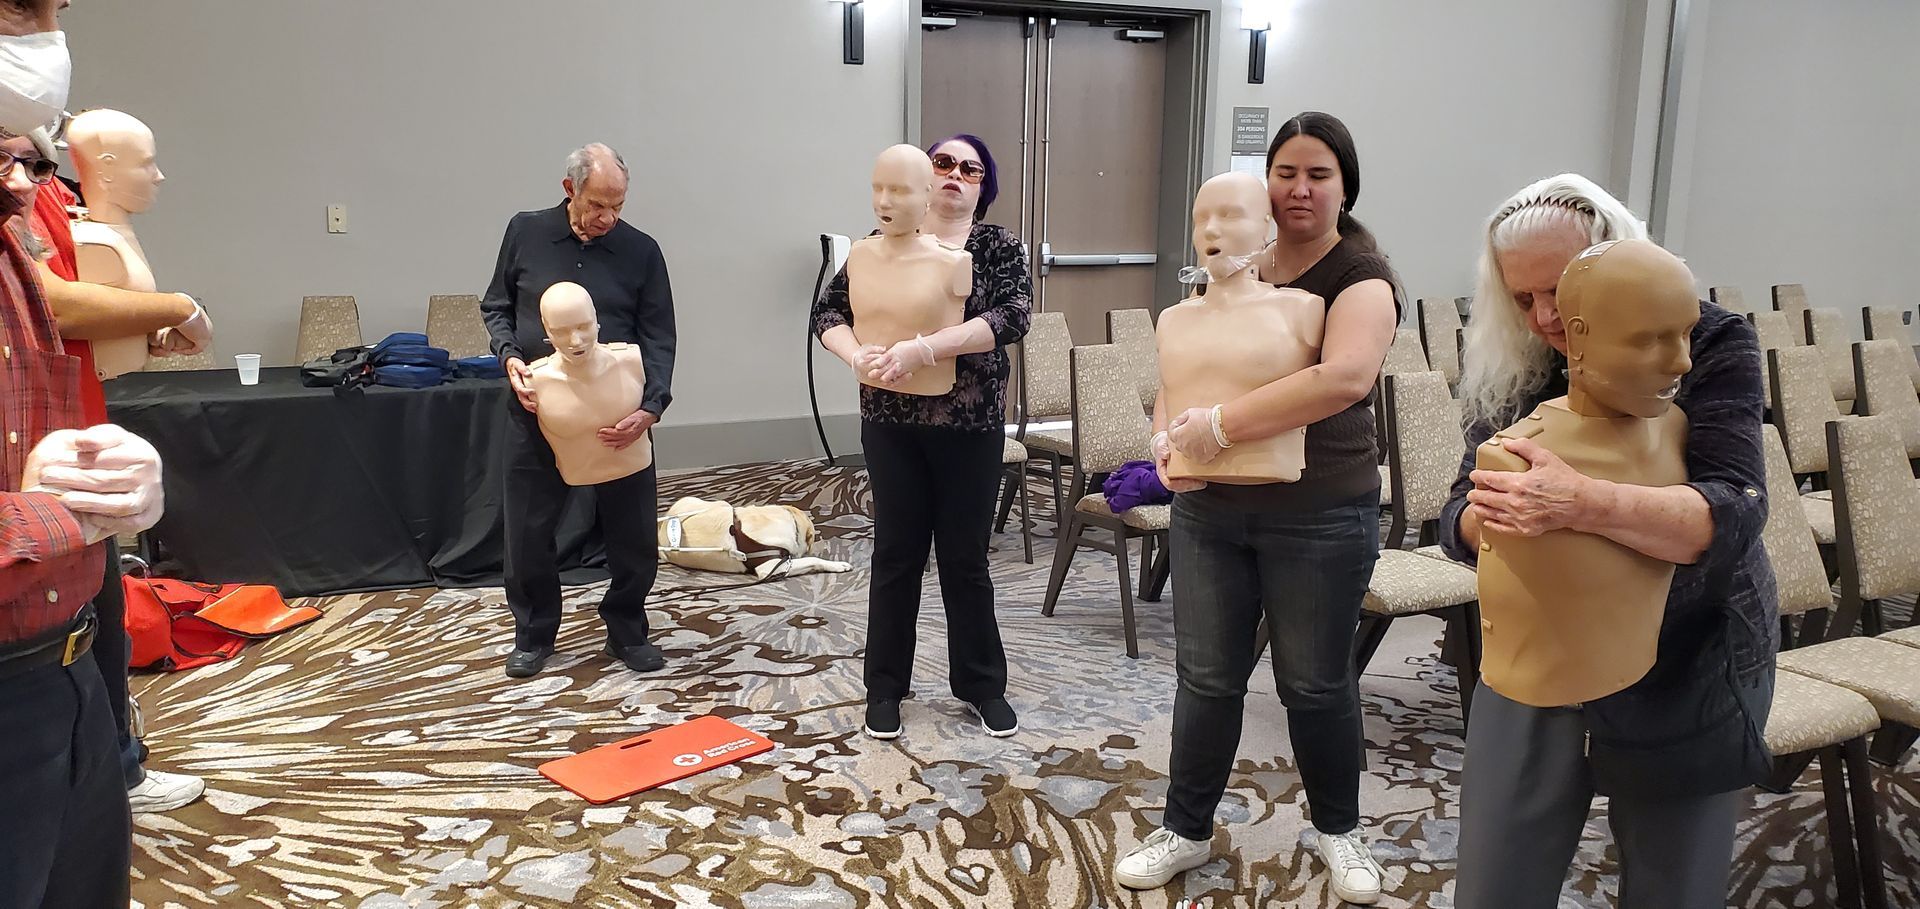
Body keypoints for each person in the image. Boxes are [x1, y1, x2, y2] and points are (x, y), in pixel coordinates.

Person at [1441, 173, 1775, 908]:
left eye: (1557, 291)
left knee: (1672, 881)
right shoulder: (1524, 357)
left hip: (1689, 648)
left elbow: (1737, 508)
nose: (1545, 317)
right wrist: (1492, 512)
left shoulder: (1707, 340)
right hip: (1542, 641)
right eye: (1522, 298)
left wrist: (1581, 503)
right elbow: (1457, 516)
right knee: (1496, 877)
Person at [1115, 111, 1397, 905]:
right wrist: (1166, 439)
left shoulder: (1358, 276)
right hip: (1213, 510)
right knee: (1206, 678)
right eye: (1286, 173)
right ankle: (1186, 825)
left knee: (1313, 683)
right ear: (1263, 188)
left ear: (1344, 188)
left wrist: (1219, 426)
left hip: (1321, 512)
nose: (1300, 188)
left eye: (1319, 174)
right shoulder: (1232, 260)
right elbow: (1181, 366)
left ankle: (1341, 831)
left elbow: (1342, 378)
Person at [0, 2, 166, 900]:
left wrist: (109, 479)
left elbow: (45, 412)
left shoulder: (18, 222)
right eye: (25, 9)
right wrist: (54, 511)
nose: (45, 44)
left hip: (60, 668)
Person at [811, 133, 1031, 740]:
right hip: (890, 423)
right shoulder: (872, 250)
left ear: (983, 186)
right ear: (923, 179)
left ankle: (982, 686)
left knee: (964, 560)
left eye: (971, 168)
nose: (956, 174)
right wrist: (857, 356)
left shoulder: (994, 247)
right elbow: (828, 315)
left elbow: (1013, 316)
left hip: (968, 424)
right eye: (943, 163)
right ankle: (885, 686)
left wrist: (928, 348)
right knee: (896, 555)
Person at [24, 126, 208, 815]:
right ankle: (96, 782)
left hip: (72, 427)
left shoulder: (50, 198)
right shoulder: (27, 201)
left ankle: (116, 771)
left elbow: (77, 311)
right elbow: (54, 300)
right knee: (63, 633)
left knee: (98, 618)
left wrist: (140, 328)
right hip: (36, 453)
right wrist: (176, 307)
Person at [480, 143, 677, 679]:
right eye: (596, 204)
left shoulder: (641, 251)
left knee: (632, 530)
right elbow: (496, 306)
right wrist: (509, 357)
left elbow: (660, 336)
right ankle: (534, 633)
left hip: (620, 410)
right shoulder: (525, 231)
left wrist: (652, 407)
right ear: (570, 190)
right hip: (537, 405)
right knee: (526, 529)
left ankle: (627, 630)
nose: (607, 218)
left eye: (618, 205)